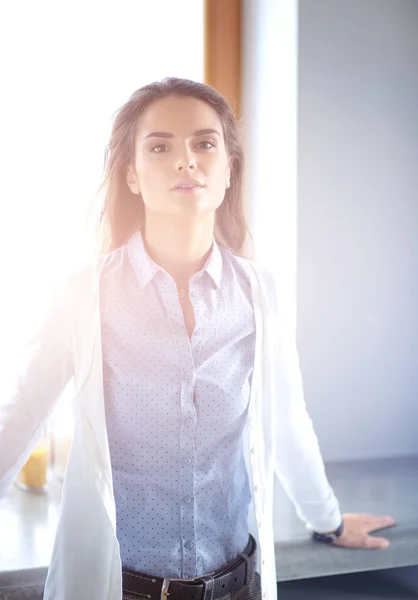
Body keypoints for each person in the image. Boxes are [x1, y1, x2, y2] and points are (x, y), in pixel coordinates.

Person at [0, 78, 395, 600]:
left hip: (237, 587)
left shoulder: (260, 292)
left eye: (204, 143)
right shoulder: (83, 293)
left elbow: (288, 421)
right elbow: (21, 417)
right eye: (160, 146)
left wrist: (328, 520)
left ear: (229, 168)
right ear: (132, 176)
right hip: (117, 588)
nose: (185, 160)